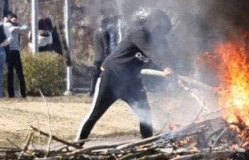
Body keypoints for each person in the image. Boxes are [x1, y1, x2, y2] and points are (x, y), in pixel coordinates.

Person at [76, 9, 177, 141]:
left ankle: (147, 145)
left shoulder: (160, 42)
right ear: (153, 26)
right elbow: (151, 52)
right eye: (160, 30)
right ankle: (78, 143)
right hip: (112, 77)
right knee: (95, 114)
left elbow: (167, 56)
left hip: (132, 83)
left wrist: (174, 70)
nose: (161, 34)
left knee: (145, 114)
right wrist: (165, 67)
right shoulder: (139, 33)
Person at [4, 13, 28, 98]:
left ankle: (11, 94)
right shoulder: (10, 27)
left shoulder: (5, 25)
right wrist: (18, 23)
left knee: (10, 74)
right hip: (13, 51)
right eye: (13, 19)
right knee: (19, 73)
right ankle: (22, 93)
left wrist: (16, 22)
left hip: (9, 51)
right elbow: (25, 28)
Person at [90, 17, 113, 95]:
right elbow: (107, 46)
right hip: (104, 58)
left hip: (96, 58)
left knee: (95, 76)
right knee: (106, 75)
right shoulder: (105, 33)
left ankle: (92, 91)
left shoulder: (95, 32)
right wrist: (109, 57)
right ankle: (106, 92)